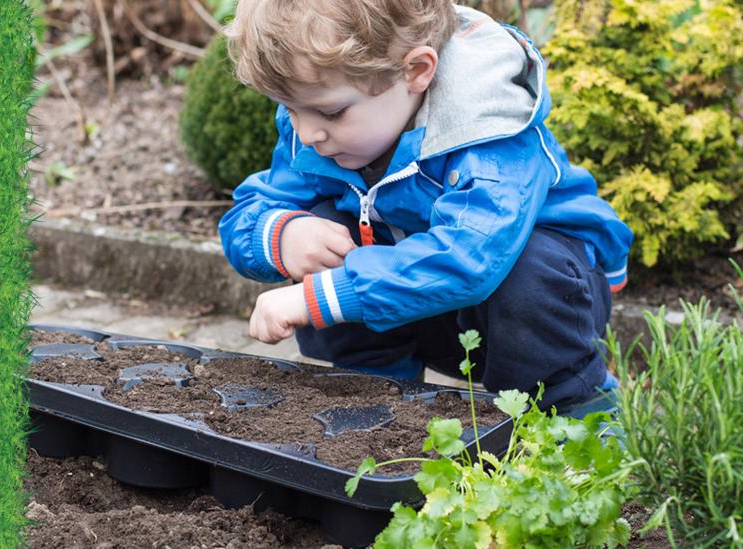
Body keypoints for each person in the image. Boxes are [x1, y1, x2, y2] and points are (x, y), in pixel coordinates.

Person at [217, 0, 632, 412]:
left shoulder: (490, 128)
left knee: (529, 270)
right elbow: (249, 210)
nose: (307, 133)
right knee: (323, 229)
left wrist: (321, 298)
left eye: (331, 111)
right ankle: (376, 397)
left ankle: (572, 412)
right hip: (421, 308)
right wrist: (281, 234)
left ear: (415, 71)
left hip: (543, 314)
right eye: (290, 108)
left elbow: (469, 257)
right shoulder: (320, 131)